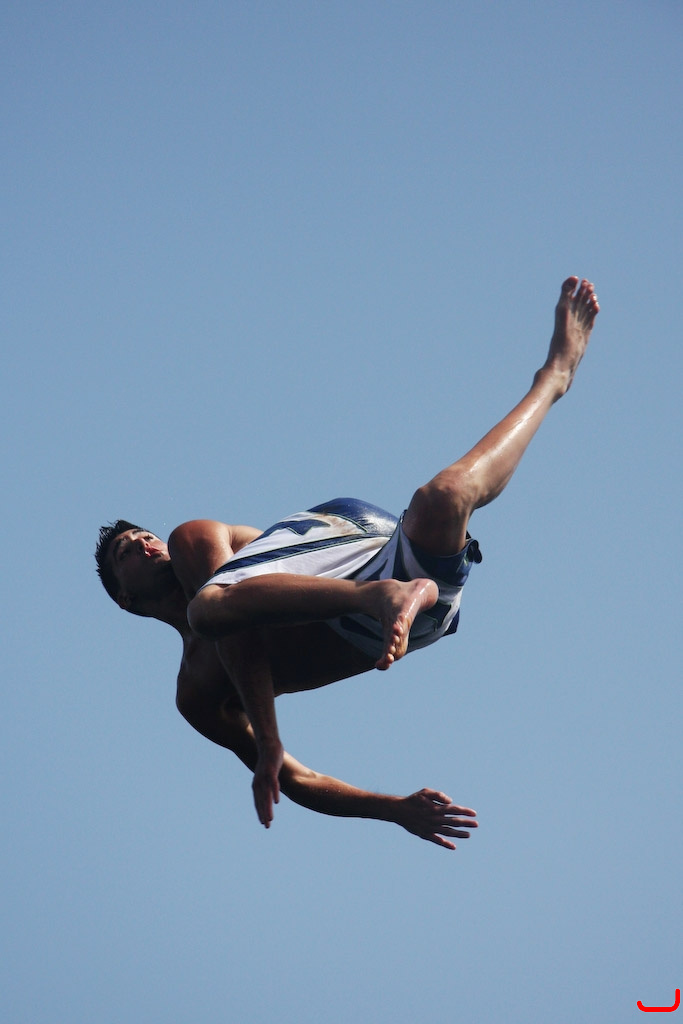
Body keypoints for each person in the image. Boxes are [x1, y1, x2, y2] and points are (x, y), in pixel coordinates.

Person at [96, 276, 599, 849]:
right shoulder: (195, 694)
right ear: (125, 600)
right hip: (397, 622)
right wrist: (394, 810)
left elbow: (239, 626)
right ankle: (393, 596)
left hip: (353, 550)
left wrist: (268, 737)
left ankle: (553, 376)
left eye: (141, 535)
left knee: (210, 608)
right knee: (445, 498)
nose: (143, 543)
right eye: (125, 552)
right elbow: (296, 780)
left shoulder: (194, 539)